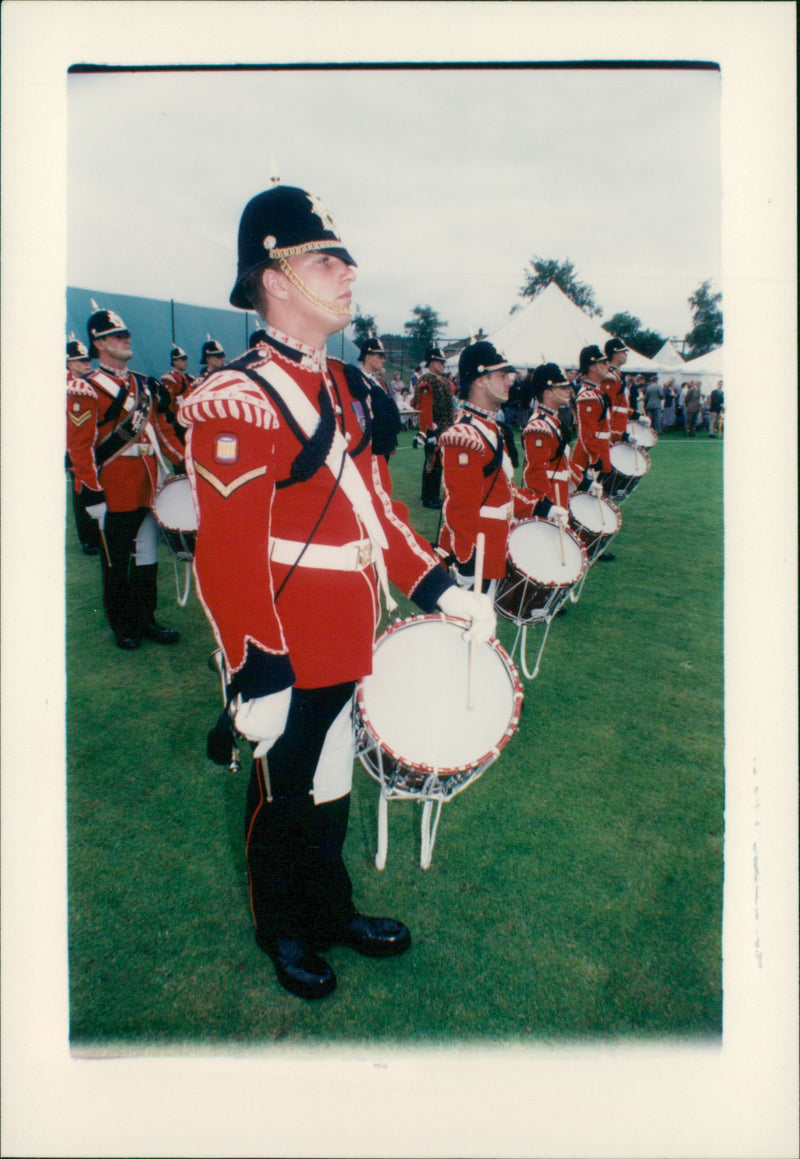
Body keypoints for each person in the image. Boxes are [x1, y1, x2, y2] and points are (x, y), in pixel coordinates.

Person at [179, 183, 494, 1001]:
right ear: (275, 278)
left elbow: (379, 510)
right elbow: (228, 553)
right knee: (282, 791)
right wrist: (257, 665)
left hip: (349, 628)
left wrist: (438, 585)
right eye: (327, 258)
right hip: (286, 639)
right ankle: (281, 926)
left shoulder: (350, 387)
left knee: (330, 785)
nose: (349, 272)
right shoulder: (236, 397)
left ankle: (330, 910)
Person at [66, 305, 184, 648]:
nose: (126, 339)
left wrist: (184, 463)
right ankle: (123, 626)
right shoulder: (84, 389)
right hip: (113, 488)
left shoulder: (144, 385)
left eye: (126, 334)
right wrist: (91, 492)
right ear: (99, 343)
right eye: (118, 336)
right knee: (116, 560)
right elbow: (81, 448)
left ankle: (147, 619)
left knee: (148, 556)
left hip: (148, 485)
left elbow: (163, 433)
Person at [437, 341, 537, 594]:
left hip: (491, 546)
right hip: (474, 553)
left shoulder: (489, 427)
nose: (509, 382)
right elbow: (460, 506)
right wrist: (466, 561)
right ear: (481, 380)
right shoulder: (465, 435)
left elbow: (500, 487)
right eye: (503, 376)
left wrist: (540, 507)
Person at [570, 345, 615, 559]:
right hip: (589, 455)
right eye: (602, 362)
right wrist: (595, 459)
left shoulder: (596, 392)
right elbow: (587, 433)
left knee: (596, 498)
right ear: (591, 366)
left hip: (598, 451)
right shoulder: (588, 395)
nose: (607, 365)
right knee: (588, 501)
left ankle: (593, 544)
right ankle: (587, 545)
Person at [521, 362, 575, 520]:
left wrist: (586, 483)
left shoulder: (553, 421)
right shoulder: (539, 426)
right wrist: (546, 507)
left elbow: (563, 462)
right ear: (548, 392)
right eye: (562, 387)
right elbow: (535, 473)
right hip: (549, 499)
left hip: (559, 496)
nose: (568, 390)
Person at [65, 335, 100, 555]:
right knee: (80, 491)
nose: (86, 364)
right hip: (72, 446)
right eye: (80, 360)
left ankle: (98, 531)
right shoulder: (65, 386)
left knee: (95, 485)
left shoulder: (92, 383)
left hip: (93, 445)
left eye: (87, 360)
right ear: (69, 363)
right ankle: (88, 538)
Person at [412, 345, 455, 508]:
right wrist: (428, 429)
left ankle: (432, 494)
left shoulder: (441, 380)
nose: (444, 364)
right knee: (432, 460)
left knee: (438, 462)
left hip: (443, 427)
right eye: (440, 361)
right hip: (433, 427)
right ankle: (429, 497)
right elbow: (424, 406)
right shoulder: (427, 380)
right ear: (432, 362)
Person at [159, 345, 195, 443]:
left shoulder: (190, 378)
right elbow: (168, 402)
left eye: (185, 359)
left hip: (190, 419)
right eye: (182, 359)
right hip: (178, 420)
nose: (185, 362)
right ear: (174, 361)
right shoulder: (170, 379)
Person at [604, 337, 632, 444]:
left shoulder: (617, 374)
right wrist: (610, 430)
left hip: (620, 423)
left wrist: (636, 415)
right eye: (623, 352)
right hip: (614, 425)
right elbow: (607, 406)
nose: (626, 354)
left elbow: (621, 405)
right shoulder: (610, 376)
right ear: (615, 354)